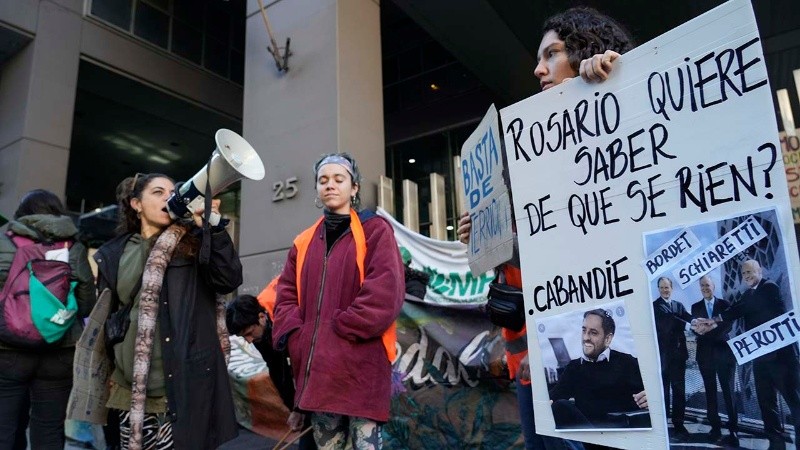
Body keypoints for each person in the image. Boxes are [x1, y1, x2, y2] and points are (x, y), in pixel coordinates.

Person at [458, 6, 634, 448]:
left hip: (588, 367)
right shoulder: (530, 156)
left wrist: (613, 79)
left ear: (586, 52)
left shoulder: (623, 118)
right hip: (532, 364)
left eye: (552, 54)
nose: (538, 69)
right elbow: (546, 246)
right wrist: (492, 238)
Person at [71, 173, 242, 449]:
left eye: (173, 193)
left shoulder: (194, 243)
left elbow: (229, 279)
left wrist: (214, 229)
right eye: (158, 192)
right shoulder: (113, 253)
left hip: (181, 387)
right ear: (136, 204)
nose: (168, 198)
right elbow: (109, 314)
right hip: (130, 390)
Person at [272, 152, 405, 449]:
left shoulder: (376, 230)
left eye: (338, 179)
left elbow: (385, 292)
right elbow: (284, 298)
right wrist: (299, 336)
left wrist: (342, 327)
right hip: (320, 372)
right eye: (323, 180)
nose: (330, 185)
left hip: (362, 368)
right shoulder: (303, 241)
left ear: (354, 188)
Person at [0, 189, 96, 450]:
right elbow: (87, 304)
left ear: (21, 214)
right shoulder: (73, 247)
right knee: (49, 428)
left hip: (8, 350)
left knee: (4, 427)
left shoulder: (3, 241)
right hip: (59, 352)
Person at [697, 259, 800, 450]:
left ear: (760, 271)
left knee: (794, 402)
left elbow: (744, 308)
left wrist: (717, 319)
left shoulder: (769, 288)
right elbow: (736, 309)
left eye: (750, 272)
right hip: (761, 359)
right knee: (766, 404)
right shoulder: (748, 294)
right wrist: (714, 320)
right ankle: (776, 444)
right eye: (744, 274)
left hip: (782, 359)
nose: (747, 276)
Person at [226, 292, 316, 450]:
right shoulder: (259, 334)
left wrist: (300, 409)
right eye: (243, 337)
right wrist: (293, 409)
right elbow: (277, 371)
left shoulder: (289, 320)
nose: (249, 340)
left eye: (248, 333)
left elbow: (303, 367)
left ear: (261, 317)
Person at [548, 309, 649, 430]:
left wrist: (649, 398)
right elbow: (554, 397)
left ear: (608, 339)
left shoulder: (626, 362)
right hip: (587, 437)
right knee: (558, 407)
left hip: (619, 434)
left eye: (593, 333)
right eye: (584, 330)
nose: (586, 337)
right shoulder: (574, 368)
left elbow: (652, 394)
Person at [689, 275, 738, 445]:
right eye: (702, 286)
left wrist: (709, 328)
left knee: (728, 393)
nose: (705, 288)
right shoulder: (695, 307)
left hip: (724, 355)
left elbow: (728, 325)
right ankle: (715, 428)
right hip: (705, 355)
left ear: (713, 286)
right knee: (710, 393)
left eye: (707, 285)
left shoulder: (724, 305)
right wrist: (699, 329)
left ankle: (733, 430)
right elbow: (696, 329)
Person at [652, 276, 693, 437]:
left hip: (678, 357)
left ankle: (679, 423)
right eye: (662, 288)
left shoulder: (679, 305)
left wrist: (697, 321)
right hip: (662, 358)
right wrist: (686, 323)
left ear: (672, 288)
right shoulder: (655, 307)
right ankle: (663, 423)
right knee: (663, 391)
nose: (665, 290)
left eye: (667, 287)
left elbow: (688, 317)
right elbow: (668, 323)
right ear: (659, 289)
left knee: (679, 390)